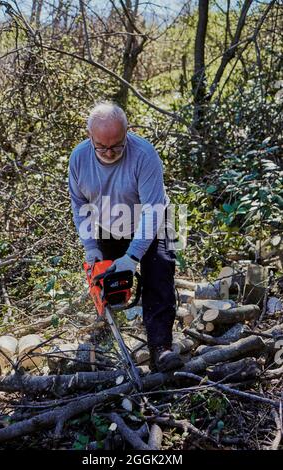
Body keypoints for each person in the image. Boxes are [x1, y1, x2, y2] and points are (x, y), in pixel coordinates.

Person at [68, 101, 182, 372]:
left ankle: (160, 348)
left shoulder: (144, 154)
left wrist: (132, 256)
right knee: (108, 283)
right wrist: (91, 248)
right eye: (102, 146)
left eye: (117, 145)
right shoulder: (79, 158)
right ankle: (106, 342)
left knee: (159, 271)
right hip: (108, 221)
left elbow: (154, 210)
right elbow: (79, 206)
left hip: (154, 220)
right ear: (90, 137)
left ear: (127, 133)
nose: (109, 152)